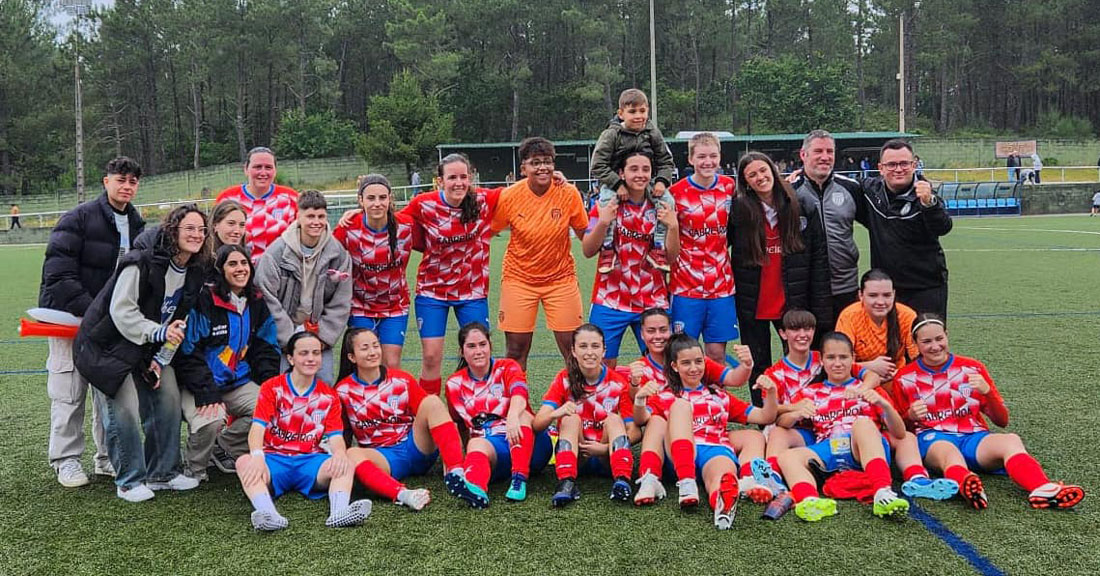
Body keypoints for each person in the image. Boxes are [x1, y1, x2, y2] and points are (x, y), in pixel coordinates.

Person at [74, 204, 210, 502]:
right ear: (173, 230)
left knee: (168, 397)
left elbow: (179, 321)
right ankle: (129, 480)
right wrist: (157, 333)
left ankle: (163, 474)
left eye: (202, 229)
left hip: (146, 347)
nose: (197, 235)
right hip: (106, 346)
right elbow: (121, 312)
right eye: (189, 228)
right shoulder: (141, 261)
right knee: (123, 407)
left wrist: (161, 360)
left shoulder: (194, 271)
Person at [893, 314, 1085, 510]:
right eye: (926, 341)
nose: (935, 346)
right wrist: (910, 415)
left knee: (1010, 440)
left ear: (947, 335)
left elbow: (1002, 420)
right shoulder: (905, 377)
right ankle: (968, 485)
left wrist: (988, 393)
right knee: (949, 453)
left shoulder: (972, 368)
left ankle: (1042, 488)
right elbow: (900, 431)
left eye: (939, 339)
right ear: (915, 343)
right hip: (934, 439)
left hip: (973, 439)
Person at [38, 156, 145, 487]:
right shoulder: (79, 218)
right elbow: (58, 274)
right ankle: (66, 459)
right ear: (106, 181)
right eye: (120, 180)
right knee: (69, 390)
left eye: (132, 182)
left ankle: (106, 458)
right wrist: (90, 310)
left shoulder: (139, 224)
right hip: (70, 318)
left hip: (110, 324)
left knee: (107, 388)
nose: (126, 187)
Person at [633, 334, 778, 529]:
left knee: (723, 474)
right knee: (678, 409)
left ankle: (726, 502)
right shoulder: (665, 395)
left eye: (698, 362)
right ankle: (686, 483)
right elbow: (642, 420)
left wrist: (771, 393)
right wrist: (640, 399)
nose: (694, 368)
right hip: (679, 455)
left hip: (713, 449)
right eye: (686, 363)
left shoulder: (719, 396)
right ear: (674, 366)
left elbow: (764, 417)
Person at [834, 269, 954, 502]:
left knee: (906, 436)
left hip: (896, 388)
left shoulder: (905, 315)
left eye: (887, 295)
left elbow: (920, 359)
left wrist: (902, 377)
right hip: (858, 390)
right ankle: (881, 481)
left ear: (894, 295)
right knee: (869, 431)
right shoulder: (849, 316)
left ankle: (918, 478)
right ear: (861, 295)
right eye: (873, 295)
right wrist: (870, 366)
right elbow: (838, 361)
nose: (881, 301)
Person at [233, 331, 372, 531]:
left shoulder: (329, 395)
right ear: (291, 358)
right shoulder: (272, 388)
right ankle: (269, 516)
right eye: (304, 353)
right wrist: (256, 456)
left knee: (345, 462)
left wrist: (340, 454)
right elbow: (257, 428)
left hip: (309, 462)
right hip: (274, 460)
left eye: (316, 353)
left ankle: (339, 513)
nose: (311, 358)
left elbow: (335, 437)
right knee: (244, 462)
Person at [336, 328, 485, 511]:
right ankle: (404, 495)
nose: (373, 352)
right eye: (365, 348)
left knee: (432, 402)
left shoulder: (402, 380)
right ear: (352, 357)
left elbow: (431, 414)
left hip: (416, 448)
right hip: (384, 458)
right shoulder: (342, 391)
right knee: (351, 454)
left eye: (376, 346)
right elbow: (341, 434)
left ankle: (457, 472)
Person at [775, 332, 910, 522]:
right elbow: (782, 423)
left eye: (843, 357)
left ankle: (882, 492)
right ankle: (809, 500)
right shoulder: (811, 392)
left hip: (862, 448)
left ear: (853, 359)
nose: (837, 363)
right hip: (829, 448)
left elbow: (900, 433)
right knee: (788, 456)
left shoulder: (867, 389)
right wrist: (796, 413)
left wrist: (884, 405)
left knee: (862, 423)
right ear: (821, 360)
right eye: (831, 357)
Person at [729, 152, 830, 403]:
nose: (760, 177)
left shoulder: (800, 204)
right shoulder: (740, 210)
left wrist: (819, 303)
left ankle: (801, 411)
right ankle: (764, 417)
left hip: (792, 299)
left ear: (773, 170)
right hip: (754, 301)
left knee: (798, 359)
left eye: (763, 170)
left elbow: (819, 256)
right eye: (752, 175)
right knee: (759, 363)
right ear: (745, 182)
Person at [174, 244, 281, 479]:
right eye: (232, 264)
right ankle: (194, 469)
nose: (240, 269)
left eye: (244, 263)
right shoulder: (205, 300)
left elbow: (266, 347)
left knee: (275, 409)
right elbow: (188, 352)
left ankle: (222, 446)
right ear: (221, 270)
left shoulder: (256, 301)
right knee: (210, 421)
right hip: (199, 385)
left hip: (236, 382)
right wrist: (208, 392)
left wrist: (270, 385)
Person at [399, 154, 499, 394]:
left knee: (478, 356)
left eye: (463, 177)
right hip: (432, 292)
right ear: (440, 181)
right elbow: (391, 221)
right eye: (452, 177)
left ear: (470, 178)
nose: (458, 183)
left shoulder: (483, 200)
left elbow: (520, 191)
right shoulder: (423, 204)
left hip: (472, 291)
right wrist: (355, 216)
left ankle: (477, 412)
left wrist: (555, 180)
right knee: (432, 357)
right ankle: (428, 415)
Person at [491, 138, 589, 369]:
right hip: (519, 279)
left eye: (547, 162)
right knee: (515, 351)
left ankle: (576, 402)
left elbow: (586, 233)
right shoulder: (510, 196)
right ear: (523, 168)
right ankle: (518, 404)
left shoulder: (568, 192)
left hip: (561, 279)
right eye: (535, 163)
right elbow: (489, 230)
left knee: (573, 350)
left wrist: (605, 224)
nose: (542, 167)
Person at [582, 151, 678, 367]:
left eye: (645, 169)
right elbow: (587, 250)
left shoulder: (663, 206)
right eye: (633, 169)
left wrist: (673, 226)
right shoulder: (605, 204)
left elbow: (671, 257)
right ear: (621, 173)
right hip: (611, 297)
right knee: (602, 365)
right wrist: (603, 222)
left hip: (652, 298)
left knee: (662, 365)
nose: (640, 174)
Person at [443, 322, 553, 504]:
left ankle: (519, 480)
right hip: (496, 450)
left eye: (482, 344)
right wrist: (463, 457)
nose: (478, 351)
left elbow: (520, 395)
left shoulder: (507, 367)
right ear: (462, 351)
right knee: (476, 442)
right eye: (471, 346)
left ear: (490, 346)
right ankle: (475, 488)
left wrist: (512, 417)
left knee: (523, 414)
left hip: (530, 445)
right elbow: (459, 424)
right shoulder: (454, 384)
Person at [533, 324, 636, 507]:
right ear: (573, 350)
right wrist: (558, 412)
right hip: (577, 455)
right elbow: (538, 423)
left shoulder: (617, 383)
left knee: (613, 418)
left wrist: (604, 449)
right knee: (570, 418)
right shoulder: (564, 379)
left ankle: (622, 480)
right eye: (583, 346)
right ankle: (566, 483)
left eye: (595, 346)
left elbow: (634, 431)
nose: (589, 352)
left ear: (604, 350)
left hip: (607, 457)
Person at [255, 190, 351, 383]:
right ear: (298, 217)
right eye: (310, 216)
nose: (316, 222)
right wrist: (289, 340)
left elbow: (341, 301)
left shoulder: (338, 254)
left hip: (318, 333)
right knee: (283, 385)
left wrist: (322, 337)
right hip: (284, 335)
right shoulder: (276, 253)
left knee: (323, 384)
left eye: (321, 216)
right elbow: (267, 297)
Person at [668, 133, 739, 365]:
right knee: (684, 353)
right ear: (691, 159)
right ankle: (685, 400)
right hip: (686, 286)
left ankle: (713, 400)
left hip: (721, 286)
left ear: (720, 158)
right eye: (701, 156)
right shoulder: (676, 193)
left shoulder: (730, 187)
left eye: (712, 156)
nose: (707, 161)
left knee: (716, 354)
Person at [862, 139, 952, 318]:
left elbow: (944, 226)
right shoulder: (869, 191)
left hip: (926, 287)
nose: (898, 169)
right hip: (888, 290)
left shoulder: (925, 194)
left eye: (904, 163)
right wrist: (801, 176)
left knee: (926, 343)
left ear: (914, 165)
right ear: (881, 168)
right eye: (892, 164)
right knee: (890, 345)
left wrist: (929, 204)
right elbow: (837, 182)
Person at [590, 88, 677, 273]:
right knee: (606, 203)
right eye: (632, 111)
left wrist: (662, 180)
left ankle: (658, 246)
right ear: (620, 113)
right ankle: (607, 249)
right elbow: (597, 165)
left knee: (668, 202)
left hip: (647, 181)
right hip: (615, 182)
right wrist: (617, 184)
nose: (638, 116)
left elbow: (666, 160)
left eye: (643, 111)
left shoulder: (652, 131)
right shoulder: (611, 134)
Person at [333, 175, 414, 368]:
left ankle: (387, 398)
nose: (377, 203)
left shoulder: (407, 226)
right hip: (361, 306)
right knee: (364, 362)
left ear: (390, 199)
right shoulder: (348, 229)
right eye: (370, 198)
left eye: (382, 198)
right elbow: (327, 257)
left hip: (395, 306)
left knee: (391, 364)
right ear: (360, 200)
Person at [793, 130, 866, 330]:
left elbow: (880, 225)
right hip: (806, 291)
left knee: (846, 350)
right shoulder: (788, 192)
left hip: (846, 287)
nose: (825, 157)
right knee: (809, 354)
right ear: (803, 154)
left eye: (829, 151)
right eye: (818, 151)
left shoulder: (851, 188)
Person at [216, 146, 298, 263]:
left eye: (268, 167)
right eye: (257, 167)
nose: (263, 172)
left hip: (279, 271)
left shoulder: (291, 198)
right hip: (239, 272)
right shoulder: (228, 198)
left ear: (275, 171)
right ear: (246, 169)